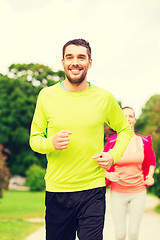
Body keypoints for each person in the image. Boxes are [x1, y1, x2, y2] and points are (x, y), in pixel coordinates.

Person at [29, 39, 133, 240]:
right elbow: (34, 139)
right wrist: (51, 143)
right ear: (63, 62)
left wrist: (112, 156)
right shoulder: (46, 95)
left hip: (92, 189)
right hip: (57, 190)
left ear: (90, 62)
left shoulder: (104, 97)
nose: (75, 62)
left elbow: (124, 130)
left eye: (81, 57)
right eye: (70, 57)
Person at [104, 106, 156, 240]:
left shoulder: (143, 141)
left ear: (135, 120)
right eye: (124, 116)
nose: (127, 119)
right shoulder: (112, 142)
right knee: (120, 234)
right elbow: (101, 163)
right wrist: (107, 175)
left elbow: (151, 160)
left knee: (133, 233)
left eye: (130, 116)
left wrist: (150, 176)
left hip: (138, 192)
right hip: (117, 192)